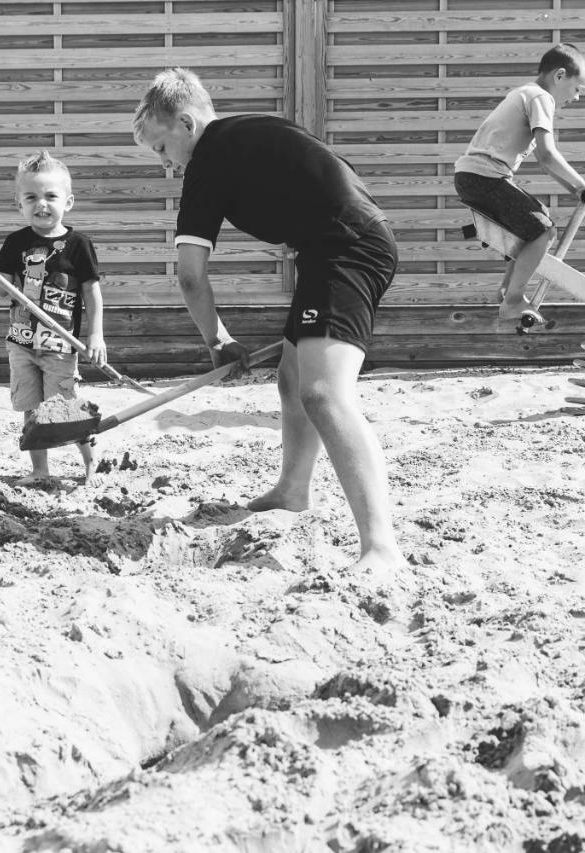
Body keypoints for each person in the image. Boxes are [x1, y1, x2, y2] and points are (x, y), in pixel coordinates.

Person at [132, 67, 404, 575]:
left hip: (345, 250)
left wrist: (218, 341)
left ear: (187, 124)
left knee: (324, 394)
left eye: (161, 149)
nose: (165, 163)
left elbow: (190, 278)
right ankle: (293, 489)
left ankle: (380, 544)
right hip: (335, 247)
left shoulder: (209, 159)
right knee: (291, 378)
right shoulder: (252, 129)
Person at [0, 151, 106, 485]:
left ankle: (90, 466)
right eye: (31, 197)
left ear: (69, 201)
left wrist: (96, 336)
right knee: (31, 410)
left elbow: (92, 292)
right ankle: (40, 470)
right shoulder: (16, 243)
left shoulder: (78, 245)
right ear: (19, 203)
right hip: (21, 344)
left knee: (66, 410)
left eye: (51, 196)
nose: (41, 204)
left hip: (61, 346)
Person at [454, 43, 585, 323]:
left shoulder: (524, 93)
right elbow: (546, 154)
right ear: (559, 76)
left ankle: (508, 288)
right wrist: (580, 186)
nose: (577, 97)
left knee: (534, 218)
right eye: (578, 88)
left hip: (474, 176)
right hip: (485, 176)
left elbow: (545, 161)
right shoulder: (541, 98)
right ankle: (513, 300)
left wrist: (575, 190)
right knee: (543, 231)